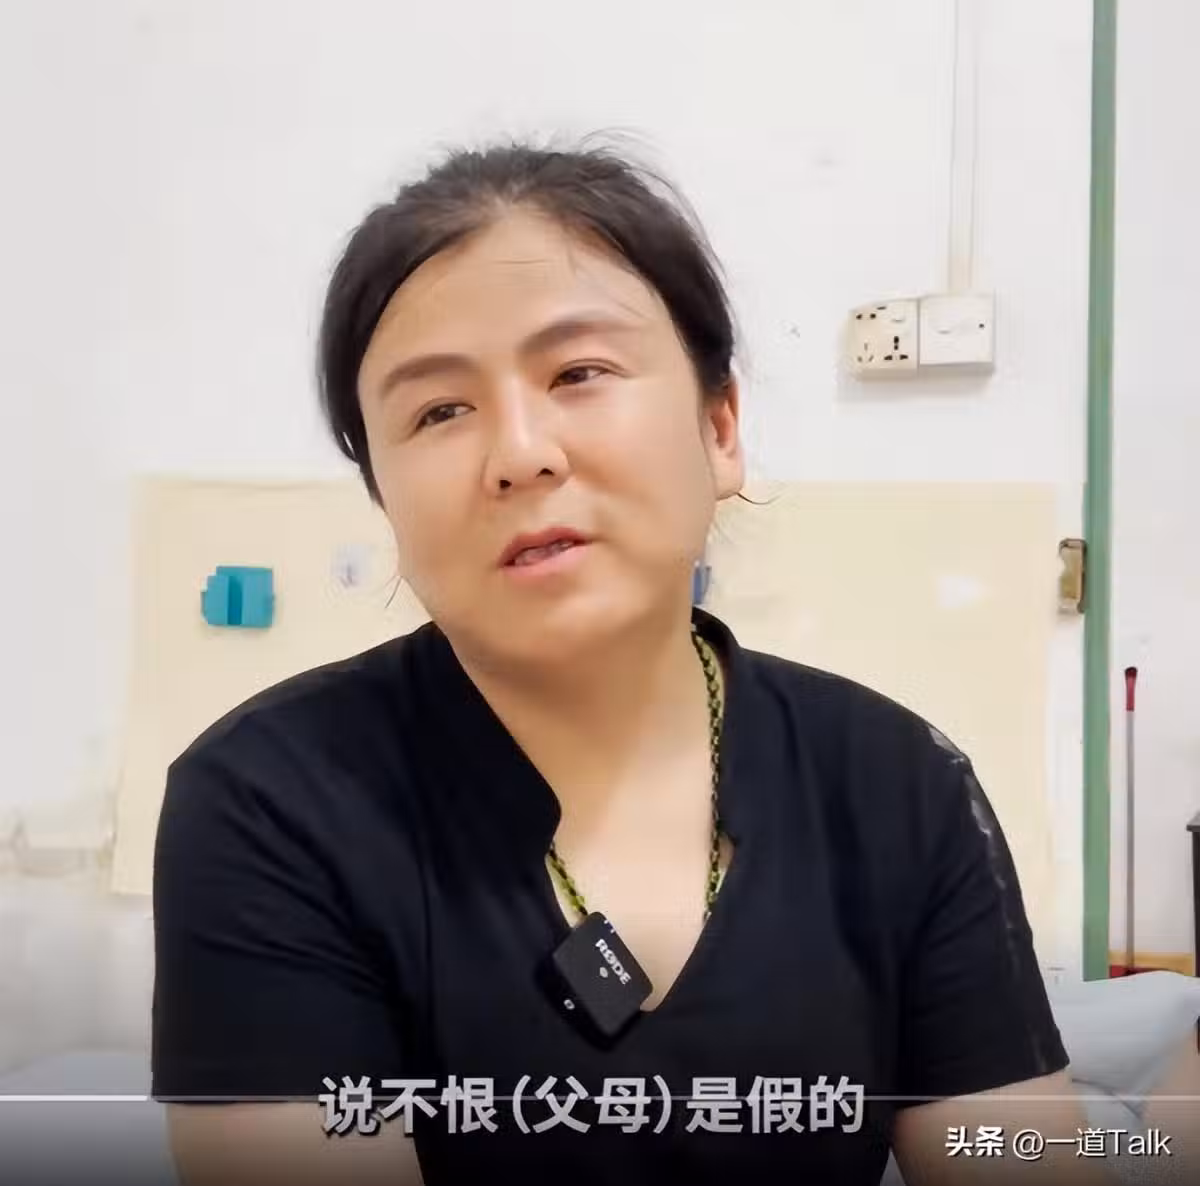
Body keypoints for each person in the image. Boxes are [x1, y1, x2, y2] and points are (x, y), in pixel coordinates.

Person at [151, 139, 1112, 1186]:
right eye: (439, 411)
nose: (521, 453)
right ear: (385, 498)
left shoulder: (897, 782)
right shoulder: (271, 800)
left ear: (720, 427)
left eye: (579, 373)